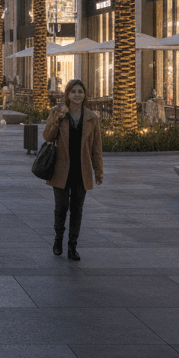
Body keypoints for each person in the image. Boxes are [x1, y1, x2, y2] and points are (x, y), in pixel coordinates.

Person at [42, 78, 103, 261]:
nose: (77, 95)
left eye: (80, 92)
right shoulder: (58, 112)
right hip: (61, 169)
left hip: (81, 170)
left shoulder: (92, 118)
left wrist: (98, 170)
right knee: (61, 207)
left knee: (77, 209)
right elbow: (47, 136)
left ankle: (72, 246)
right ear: (68, 94)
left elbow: (96, 148)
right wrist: (56, 121)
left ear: (85, 95)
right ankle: (58, 238)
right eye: (74, 91)